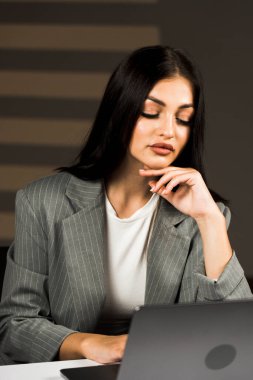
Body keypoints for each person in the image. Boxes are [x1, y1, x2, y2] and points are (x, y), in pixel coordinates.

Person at [0, 45, 252, 365]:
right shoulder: (42, 202)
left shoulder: (201, 214)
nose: (168, 130)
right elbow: (15, 327)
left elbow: (234, 334)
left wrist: (210, 220)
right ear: (121, 110)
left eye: (183, 118)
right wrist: (95, 345)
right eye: (151, 111)